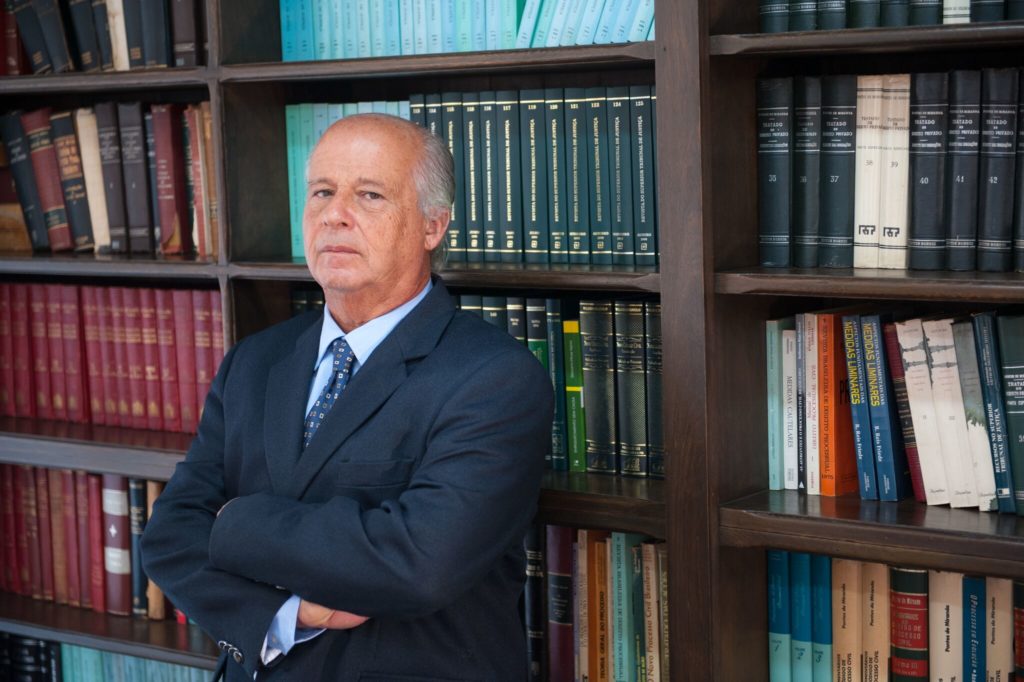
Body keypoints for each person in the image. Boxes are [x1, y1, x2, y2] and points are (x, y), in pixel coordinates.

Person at [141, 113, 553, 681]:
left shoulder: (495, 378)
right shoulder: (255, 361)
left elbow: (418, 565)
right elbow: (169, 536)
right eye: (322, 192)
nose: (334, 214)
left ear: (433, 226)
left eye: (369, 194)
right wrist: (285, 615)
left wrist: (233, 523)